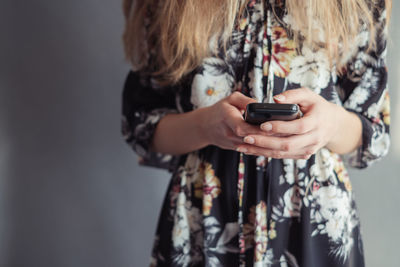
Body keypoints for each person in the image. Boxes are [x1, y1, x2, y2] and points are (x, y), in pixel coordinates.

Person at [121, 0, 392, 266]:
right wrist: (205, 125)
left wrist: (331, 124)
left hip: (315, 220)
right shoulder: (169, 4)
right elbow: (142, 126)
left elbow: (373, 131)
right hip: (203, 217)